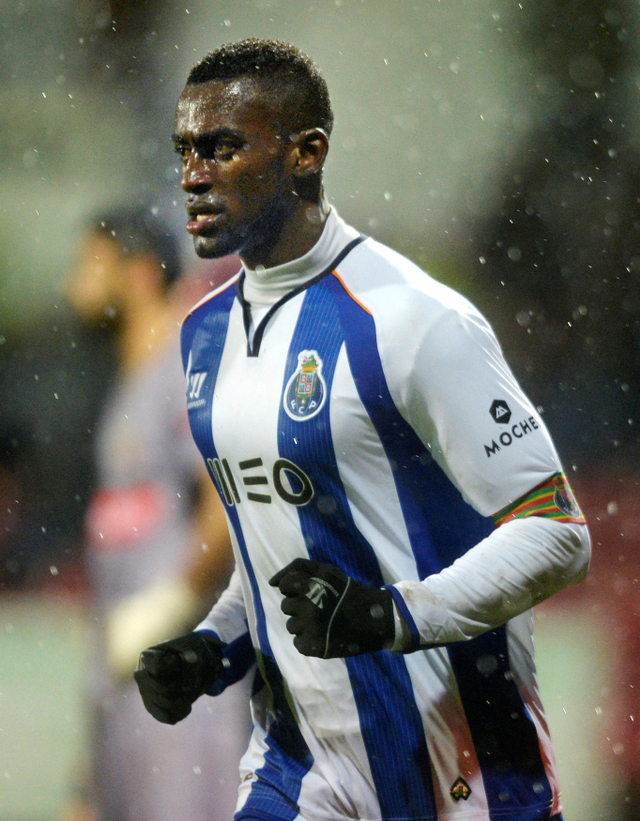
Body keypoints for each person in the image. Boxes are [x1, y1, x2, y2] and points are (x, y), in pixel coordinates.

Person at [134, 40, 591, 821]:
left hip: (463, 775)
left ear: (307, 153)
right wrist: (215, 645)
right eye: (185, 150)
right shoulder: (202, 334)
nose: (193, 175)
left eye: (223, 147)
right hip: (299, 770)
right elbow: (282, 540)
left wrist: (393, 614)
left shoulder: (415, 319)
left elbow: (559, 533)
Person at [65, 207, 250, 821]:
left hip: (183, 697)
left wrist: (169, 605)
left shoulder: (185, 368)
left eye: (90, 264)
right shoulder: (128, 383)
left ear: (140, 273)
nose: (74, 285)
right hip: (125, 698)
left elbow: (225, 501)